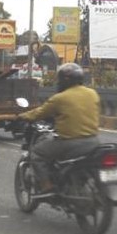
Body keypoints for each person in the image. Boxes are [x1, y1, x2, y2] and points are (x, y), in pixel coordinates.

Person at [16, 62, 100, 193]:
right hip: (93, 141)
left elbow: (39, 113)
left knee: (37, 154)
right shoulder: (93, 93)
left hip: (70, 143)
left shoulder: (60, 98)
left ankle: (46, 186)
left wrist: (22, 116)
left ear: (63, 81)